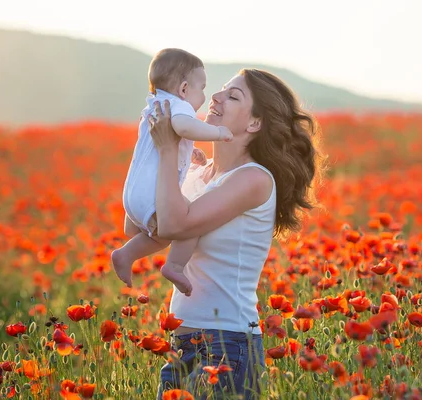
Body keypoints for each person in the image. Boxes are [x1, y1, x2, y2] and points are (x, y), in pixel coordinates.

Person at [149, 68, 325, 399]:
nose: (215, 98)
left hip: (226, 345)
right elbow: (147, 226)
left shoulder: (254, 180)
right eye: (221, 90)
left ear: (255, 123)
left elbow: (175, 225)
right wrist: (159, 156)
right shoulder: (203, 174)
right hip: (182, 343)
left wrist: (168, 149)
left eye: (233, 96)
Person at [112, 48, 233, 296]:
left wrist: (191, 154)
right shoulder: (179, 107)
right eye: (202, 88)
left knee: (151, 227)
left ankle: (132, 236)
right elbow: (183, 127)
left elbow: (167, 145)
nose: (205, 95)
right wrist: (218, 134)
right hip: (152, 195)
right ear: (184, 89)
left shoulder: (154, 107)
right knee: (189, 221)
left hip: (133, 193)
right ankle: (172, 266)